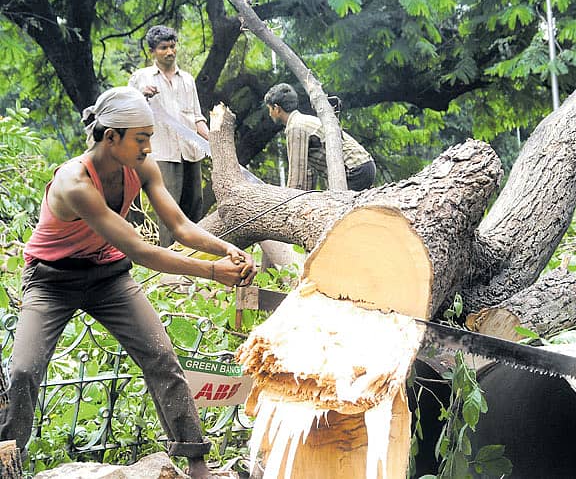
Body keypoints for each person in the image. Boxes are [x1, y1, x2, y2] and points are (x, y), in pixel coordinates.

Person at [0, 87, 256, 479]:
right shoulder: (75, 183)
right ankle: (7, 463)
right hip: (52, 281)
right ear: (111, 138)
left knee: (162, 357)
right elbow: (141, 250)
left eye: (150, 137)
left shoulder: (142, 167)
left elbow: (181, 227)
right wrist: (211, 272)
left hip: (108, 277)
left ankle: (197, 462)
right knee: (23, 372)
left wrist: (225, 249)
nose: (149, 147)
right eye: (142, 138)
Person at [129, 25, 209, 247]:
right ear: (152, 51)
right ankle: (170, 268)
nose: (170, 52)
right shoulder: (141, 77)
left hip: (190, 152)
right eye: (163, 48)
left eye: (172, 46)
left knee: (194, 208)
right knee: (168, 211)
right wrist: (141, 95)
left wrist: (214, 141)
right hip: (162, 154)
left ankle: (194, 262)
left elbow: (196, 117)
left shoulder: (187, 80)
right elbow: (127, 110)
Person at [263, 83, 375, 191]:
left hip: (354, 170)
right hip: (364, 165)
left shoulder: (295, 126)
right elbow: (308, 172)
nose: (269, 114)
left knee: (333, 207)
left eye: (270, 109)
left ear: (276, 108)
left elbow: (297, 177)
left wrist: (289, 204)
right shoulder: (304, 120)